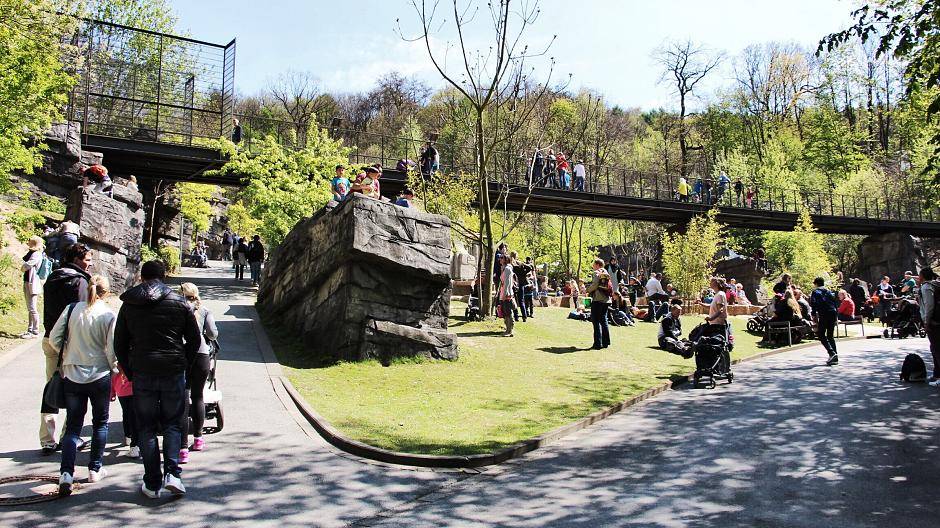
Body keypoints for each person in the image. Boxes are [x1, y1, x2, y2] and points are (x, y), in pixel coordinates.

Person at [114, 260, 201, 498]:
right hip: (173, 369)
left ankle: (152, 481)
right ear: (164, 277)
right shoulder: (180, 303)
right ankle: (172, 473)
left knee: (146, 427)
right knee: (173, 423)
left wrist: (129, 369)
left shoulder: (129, 303)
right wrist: (185, 362)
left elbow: (119, 342)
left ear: (142, 277)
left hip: (142, 370)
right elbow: (194, 340)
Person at [50, 275, 117, 496]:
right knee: (100, 423)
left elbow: (54, 338)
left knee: (73, 426)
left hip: (72, 371)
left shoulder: (72, 309)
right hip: (99, 373)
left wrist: (67, 353)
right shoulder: (108, 314)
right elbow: (111, 348)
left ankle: (66, 473)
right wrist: (113, 368)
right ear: (106, 293)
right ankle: (94, 468)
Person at [39, 243, 92, 454]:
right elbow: (80, 315)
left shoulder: (53, 277)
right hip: (71, 343)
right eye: (87, 260)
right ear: (77, 259)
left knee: (51, 387)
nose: (89, 264)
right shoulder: (79, 281)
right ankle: (69, 436)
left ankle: (47, 439)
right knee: (74, 390)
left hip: (50, 338)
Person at [178, 283, 218, 461]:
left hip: (182, 353)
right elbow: (212, 333)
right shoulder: (204, 310)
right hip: (201, 354)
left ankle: (182, 447)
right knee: (198, 396)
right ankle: (199, 438)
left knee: (182, 397)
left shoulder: (177, 308)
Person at [916, 268, 940, 385]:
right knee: (935, 348)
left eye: (919, 275)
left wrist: (926, 321)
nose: (918, 277)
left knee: (936, 348)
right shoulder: (935, 284)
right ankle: (937, 374)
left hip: (933, 322)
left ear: (923, 276)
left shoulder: (926, 287)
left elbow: (929, 306)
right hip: (937, 320)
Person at [810, 277, 840, 366]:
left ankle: (831, 353)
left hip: (824, 313)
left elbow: (813, 304)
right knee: (830, 335)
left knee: (821, 334)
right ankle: (835, 357)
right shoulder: (829, 292)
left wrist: (814, 315)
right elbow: (835, 303)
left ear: (816, 284)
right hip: (833, 313)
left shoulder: (815, 292)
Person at [21, 236, 45, 339]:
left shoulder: (36, 254)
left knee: (32, 308)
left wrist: (23, 267)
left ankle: (35, 331)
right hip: (28, 282)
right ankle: (30, 330)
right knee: (30, 308)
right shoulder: (34, 253)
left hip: (32, 283)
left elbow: (27, 265)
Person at [586, 258, 612, 350]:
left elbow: (595, 285)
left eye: (594, 264)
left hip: (598, 300)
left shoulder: (597, 273)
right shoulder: (606, 273)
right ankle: (606, 342)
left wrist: (587, 290)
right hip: (607, 300)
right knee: (604, 320)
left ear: (597, 265)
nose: (593, 266)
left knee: (596, 321)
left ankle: (597, 343)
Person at [497, 254, 516, 337]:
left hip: (507, 294)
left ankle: (510, 331)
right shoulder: (504, 268)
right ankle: (507, 329)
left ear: (506, 259)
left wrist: (505, 294)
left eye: (501, 258)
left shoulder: (508, 269)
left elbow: (508, 283)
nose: (500, 259)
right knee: (504, 312)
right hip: (503, 293)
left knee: (508, 312)